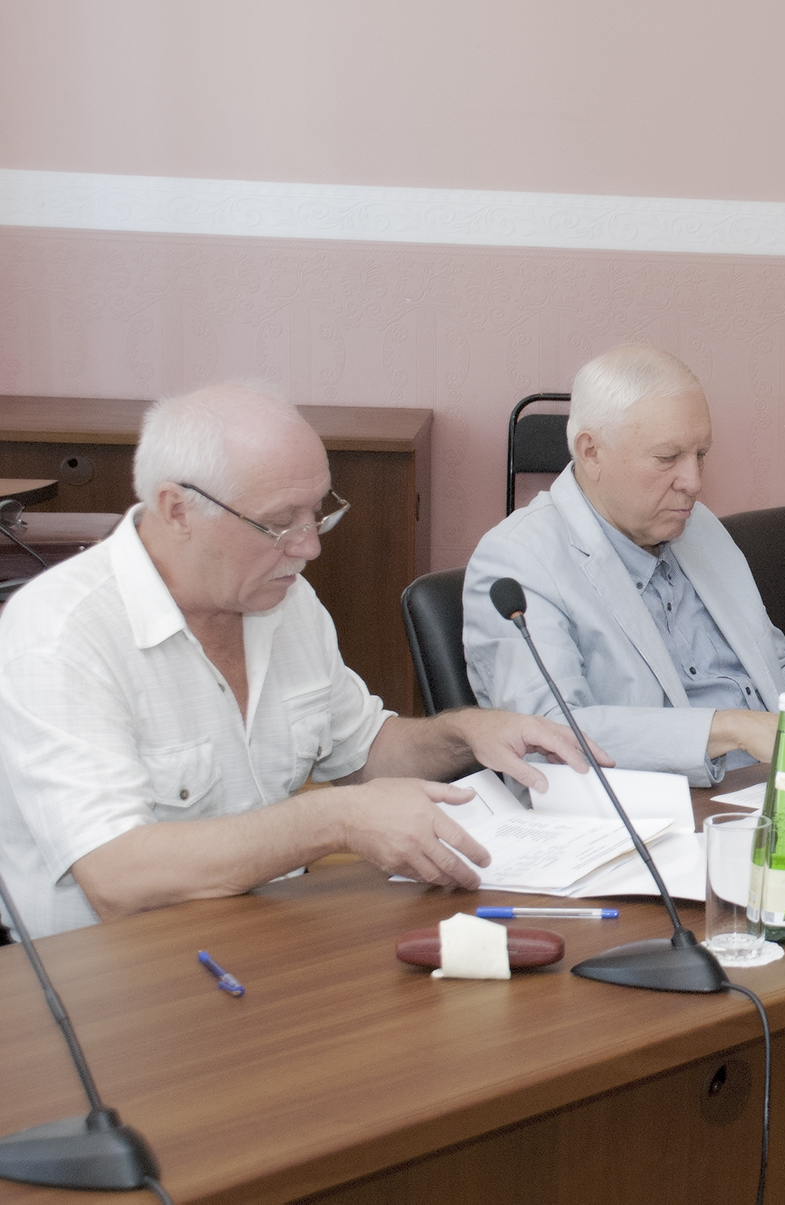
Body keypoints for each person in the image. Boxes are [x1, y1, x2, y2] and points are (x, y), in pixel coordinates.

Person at [0, 384, 597, 938]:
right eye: (278, 523)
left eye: (317, 512)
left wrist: (467, 733)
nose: (309, 546)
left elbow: (363, 751)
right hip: (105, 978)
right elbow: (117, 876)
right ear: (177, 510)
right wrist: (334, 820)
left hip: (265, 939)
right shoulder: (60, 634)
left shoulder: (283, 601)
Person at [464, 345, 785, 790]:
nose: (694, 482)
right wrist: (730, 728)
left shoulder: (698, 528)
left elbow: (774, 671)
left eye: (700, 454)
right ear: (591, 452)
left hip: (775, 787)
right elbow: (550, 735)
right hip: (659, 811)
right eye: (667, 458)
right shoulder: (519, 559)